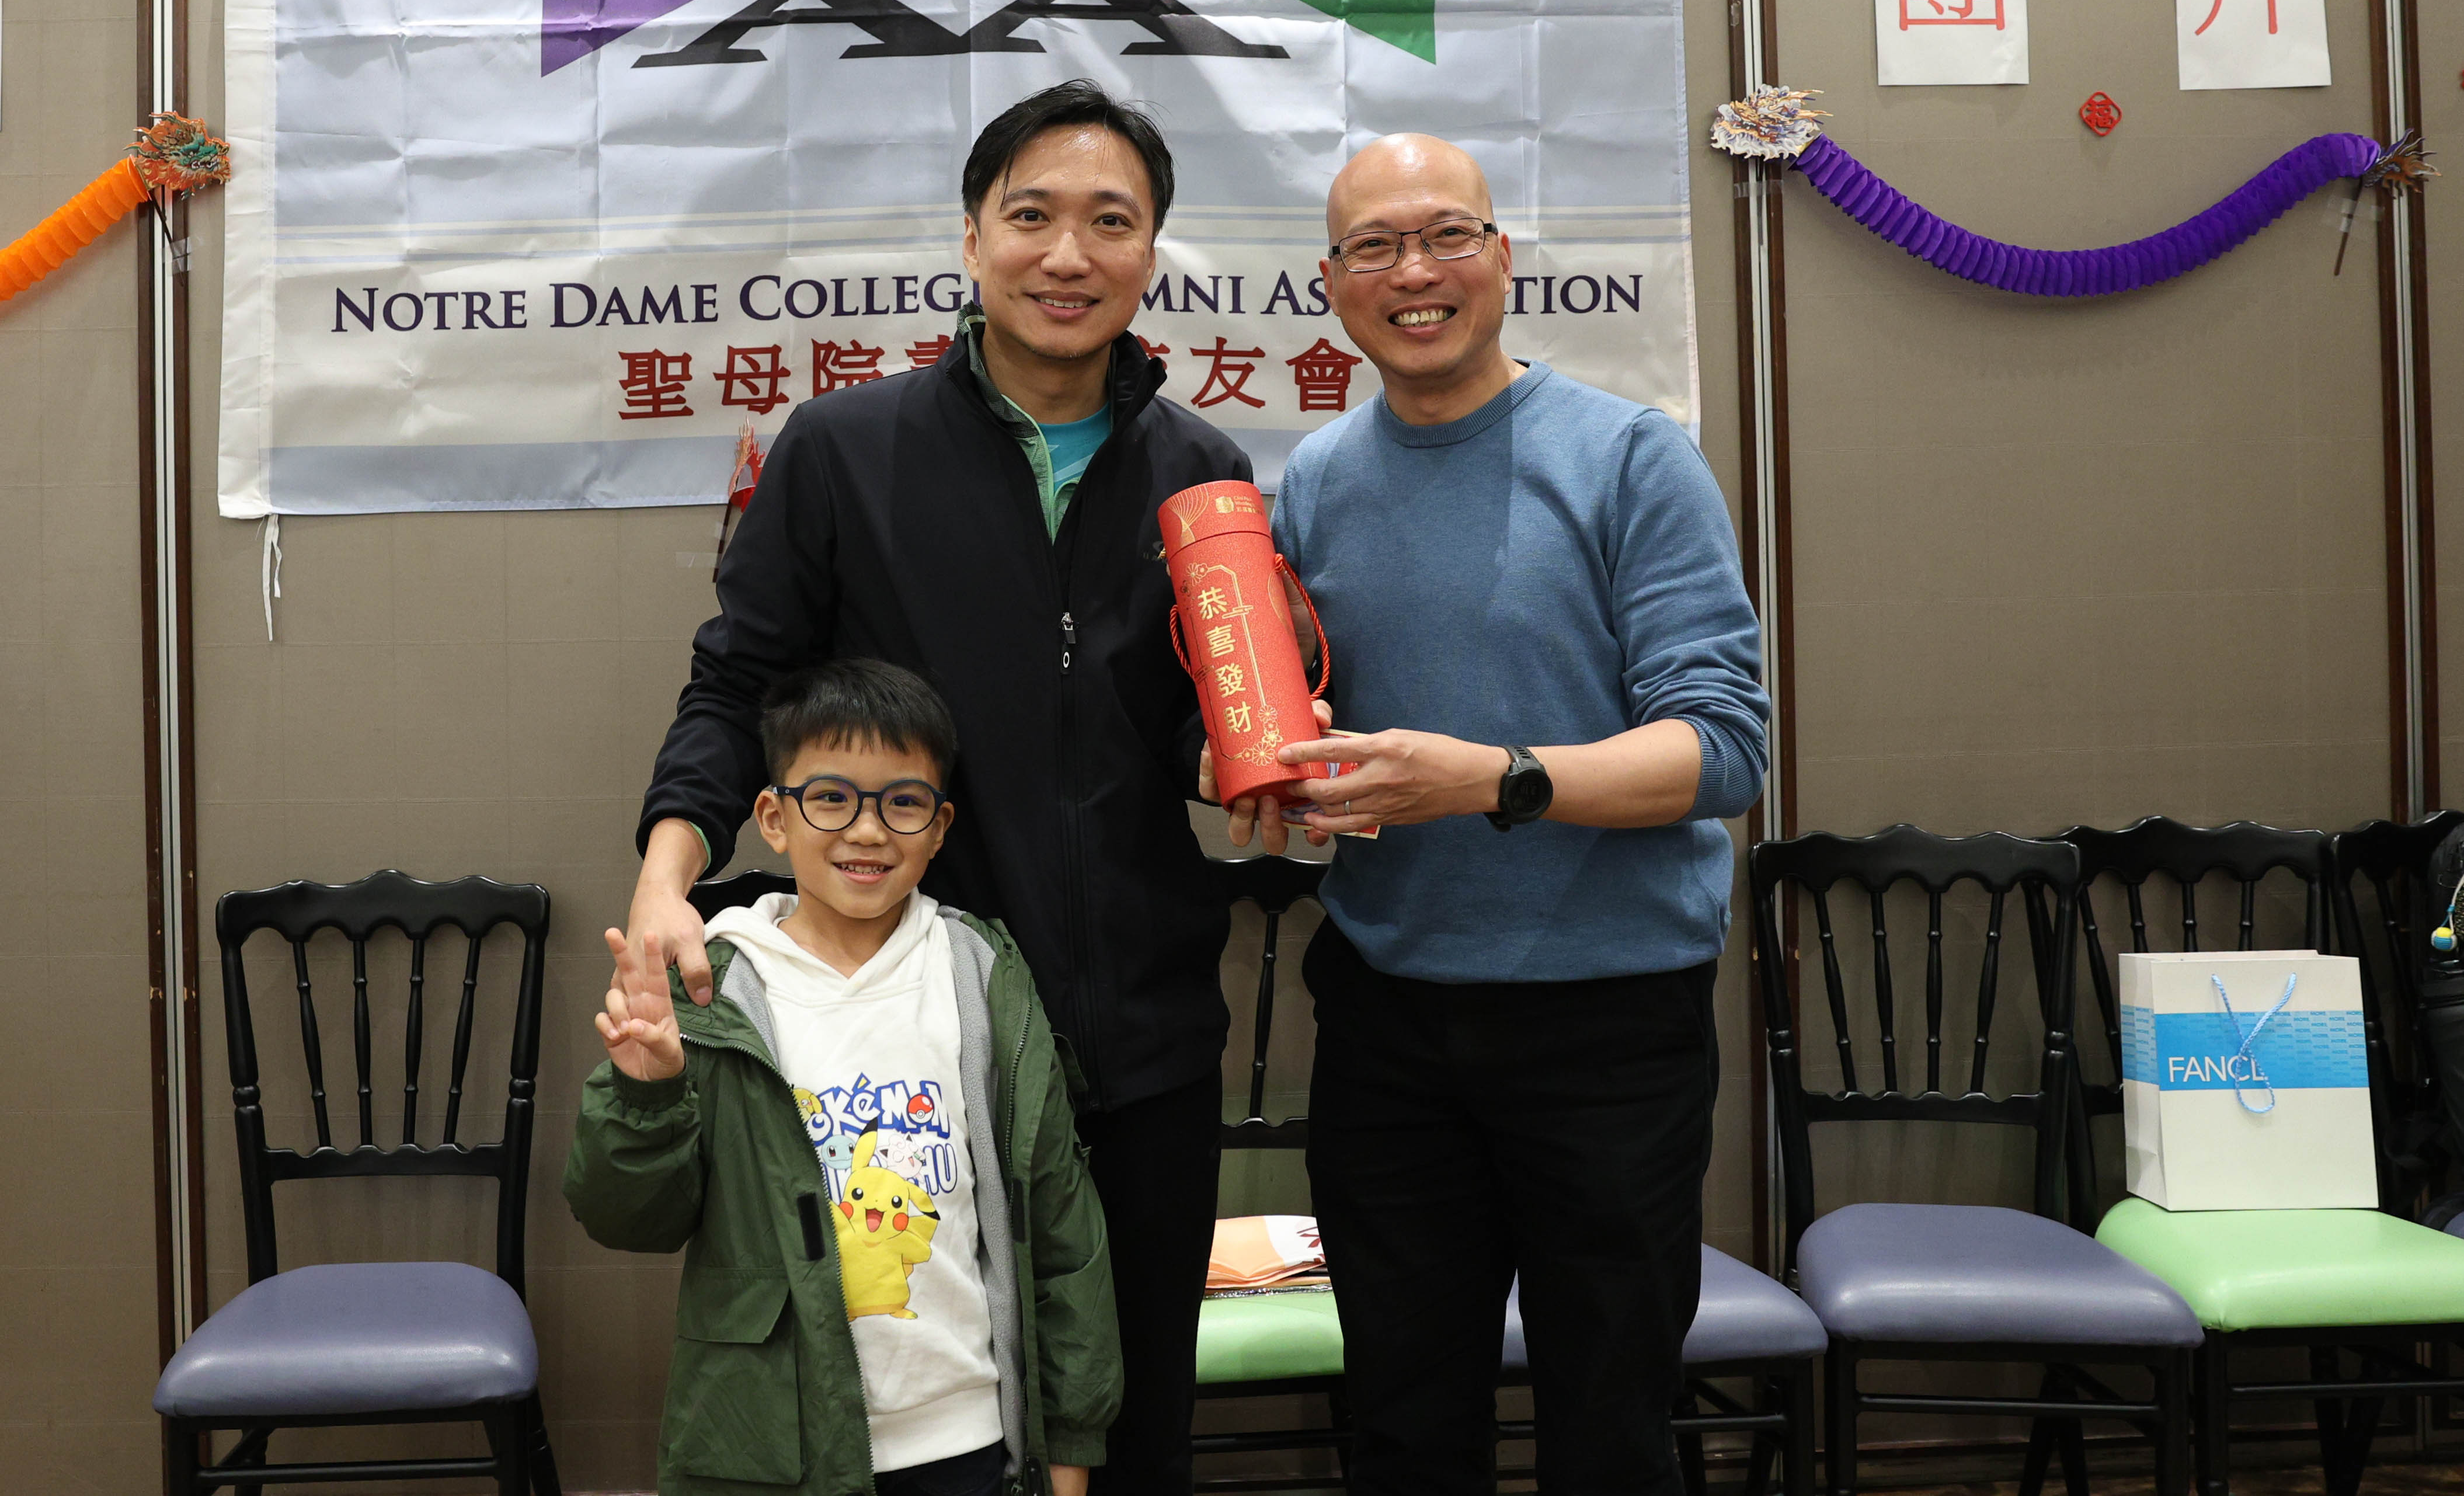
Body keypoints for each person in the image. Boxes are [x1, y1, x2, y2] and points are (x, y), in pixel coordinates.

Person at [628, 81, 1250, 1492]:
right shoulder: (845, 451)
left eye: (1110, 222)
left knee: (1136, 1429)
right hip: (914, 1043)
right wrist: (668, 879)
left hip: (1147, 1048)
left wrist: (1238, 764)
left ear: (1152, 253)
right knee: (931, 1431)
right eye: (1031, 216)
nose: (1067, 255)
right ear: (972, 240)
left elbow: (1179, 729)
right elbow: (735, 688)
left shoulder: (1199, 473)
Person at [1220, 134, 1770, 1495]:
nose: (1414, 273)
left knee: (1608, 1432)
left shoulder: (1631, 457)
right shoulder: (1317, 479)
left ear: (1502, 256)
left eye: (1445, 236)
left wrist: (1496, 779)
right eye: (1374, 248)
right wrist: (1290, 781)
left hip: (1608, 1024)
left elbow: (1722, 750)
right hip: (1388, 1021)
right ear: (1331, 284)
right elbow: (1322, 718)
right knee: (1403, 1427)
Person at [567, 659, 1119, 1496]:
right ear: (773, 817)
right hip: (774, 1454)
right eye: (831, 798)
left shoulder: (979, 974)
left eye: (903, 802)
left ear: (939, 826)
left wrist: (1070, 1451)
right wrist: (648, 1096)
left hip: (968, 1442)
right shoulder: (718, 985)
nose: (867, 831)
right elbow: (628, 1218)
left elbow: (1062, 1229)